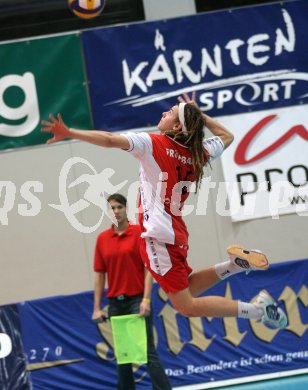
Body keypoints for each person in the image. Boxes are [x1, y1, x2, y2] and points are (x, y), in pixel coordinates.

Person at [41, 92, 287, 330]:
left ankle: (257, 310)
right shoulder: (197, 154)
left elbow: (108, 138)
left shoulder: (152, 143)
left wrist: (70, 132)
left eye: (169, 113)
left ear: (178, 126)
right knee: (186, 291)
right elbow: (227, 136)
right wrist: (198, 114)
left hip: (158, 236)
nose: (163, 113)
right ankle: (235, 265)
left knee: (186, 306)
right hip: (174, 232)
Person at [92, 193, 171, 390]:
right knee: (123, 355)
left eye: (119, 207)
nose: (116, 211)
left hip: (137, 300)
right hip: (116, 305)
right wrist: (97, 308)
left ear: (126, 209)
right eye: (112, 208)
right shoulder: (102, 239)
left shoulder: (139, 233)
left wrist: (146, 299)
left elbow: (148, 269)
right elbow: (100, 275)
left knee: (147, 352)